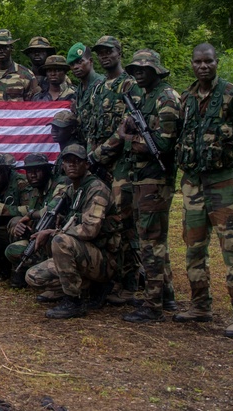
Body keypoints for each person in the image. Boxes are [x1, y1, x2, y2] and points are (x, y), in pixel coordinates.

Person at [174, 43, 233, 338]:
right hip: (193, 182)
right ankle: (200, 305)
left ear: (216, 62)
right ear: (192, 64)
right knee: (194, 246)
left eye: (208, 61)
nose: (203, 66)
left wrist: (229, 164)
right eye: (198, 61)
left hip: (224, 183)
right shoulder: (186, 97)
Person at [92, 49, 180, 322]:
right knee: (149, 238)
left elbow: (163, 145)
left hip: (155, 178)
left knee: (152, 242)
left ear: (156, 69)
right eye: (136, 69)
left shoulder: (166, 98)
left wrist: (129, 139)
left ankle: (152, 306)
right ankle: (166, 296)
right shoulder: (144, 96)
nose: (139, 72)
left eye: (145, 69)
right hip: (139, 176)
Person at [25, 144, 120, 319]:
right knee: (34, 277)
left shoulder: (96, 189)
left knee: (60, 241)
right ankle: (88, 287)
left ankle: (74, 301)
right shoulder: (72, 190)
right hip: (84, 255)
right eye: (68, 161)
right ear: (62, 166)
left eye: (77, 161)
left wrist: (55, 233)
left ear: (87, 164)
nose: (72, 165)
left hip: (105, 259)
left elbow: (90, 230)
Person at [86, 35, 142, 306]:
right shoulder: (98, 87)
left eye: (109, 51)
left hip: (121, 165)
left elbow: (128, 128)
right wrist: (91, 158)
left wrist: (98, 155)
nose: (104, 56)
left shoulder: (130, 84)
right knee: (103, 222)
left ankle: (131, 282)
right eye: (100, 52)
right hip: (99, 166)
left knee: (125, 223)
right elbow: (92, 125)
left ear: (120, 52)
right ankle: (110, 277)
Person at [5, 153, 66, 287]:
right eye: (29, 171)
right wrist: (24, 226)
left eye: (37, 170)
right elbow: (33, 216)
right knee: (13, 239)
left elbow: (51, 209)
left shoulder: (61, 184)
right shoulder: (34, 190)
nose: (32, 175)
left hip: (60, 238)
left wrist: (31, 215)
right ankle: (20, 272)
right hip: (40, 238)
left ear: (47, 170)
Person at [66, 42, 104, 144]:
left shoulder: (102, 85)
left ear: (90, 61)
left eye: (79, 62)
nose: (75, 67)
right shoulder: (79, 89)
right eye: (72, 64)